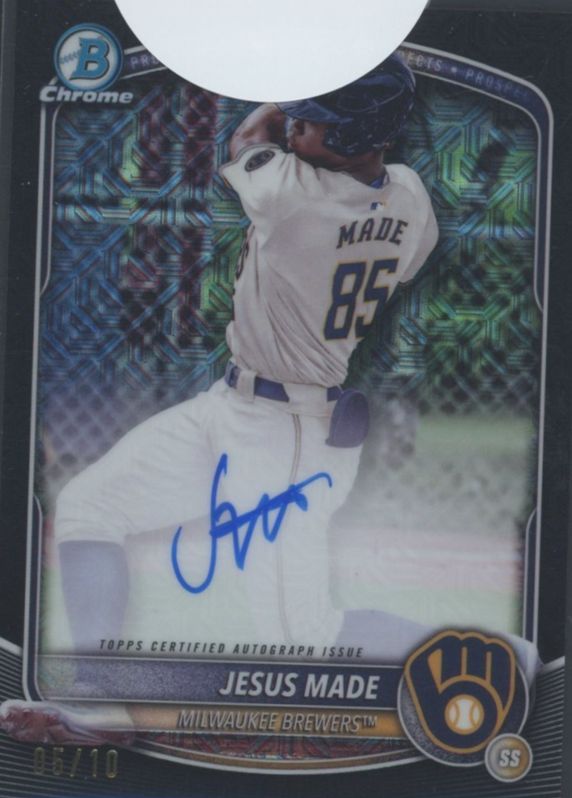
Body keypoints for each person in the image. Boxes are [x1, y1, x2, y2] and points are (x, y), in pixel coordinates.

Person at [0, 54, 537, 745]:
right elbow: (385, 230)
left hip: (288, 436)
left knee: (305, 637)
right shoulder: (410, 197)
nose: (295, 128)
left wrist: (293, 84)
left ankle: (503, 659)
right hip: (232, 408)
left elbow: (247, 138)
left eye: (312, 122)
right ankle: (100, 697)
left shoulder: (292, 195)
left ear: (353, 136)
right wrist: (341, 92)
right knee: (89, 506)